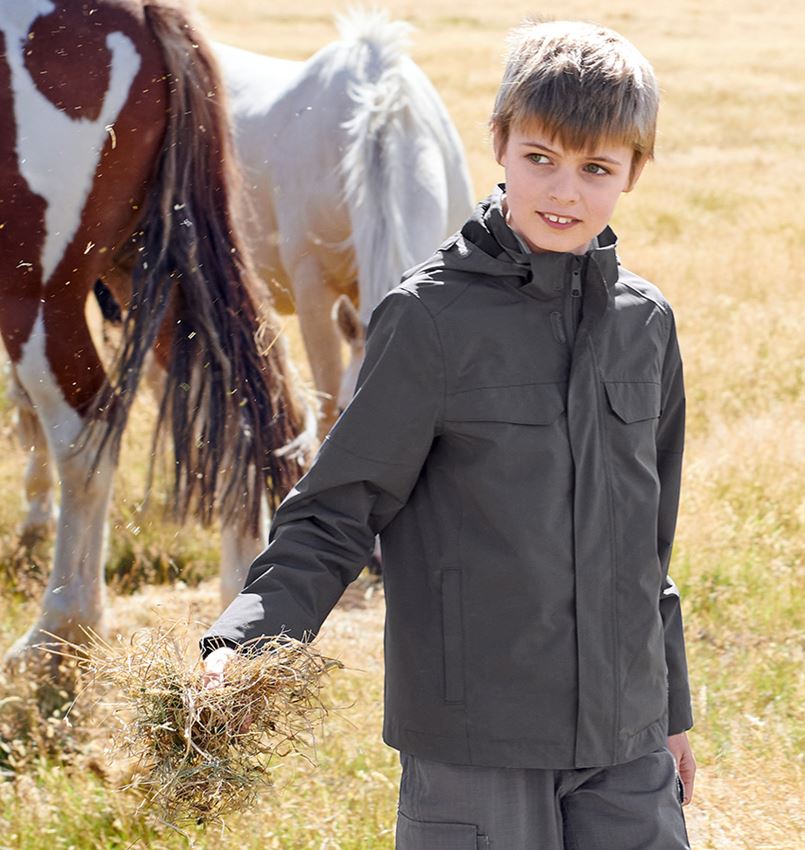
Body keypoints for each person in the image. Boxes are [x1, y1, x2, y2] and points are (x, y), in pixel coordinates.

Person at [201, 18, 695, 849]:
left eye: (595, 169)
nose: (564, 192)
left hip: (626, 746)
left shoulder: (645, 325)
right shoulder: (429, 318)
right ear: (499, 143)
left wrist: (669, 714)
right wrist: (248, 641)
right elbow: (338, 509)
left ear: (633, 172)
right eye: (539, 157)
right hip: (476, 749)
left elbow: (649, 546)